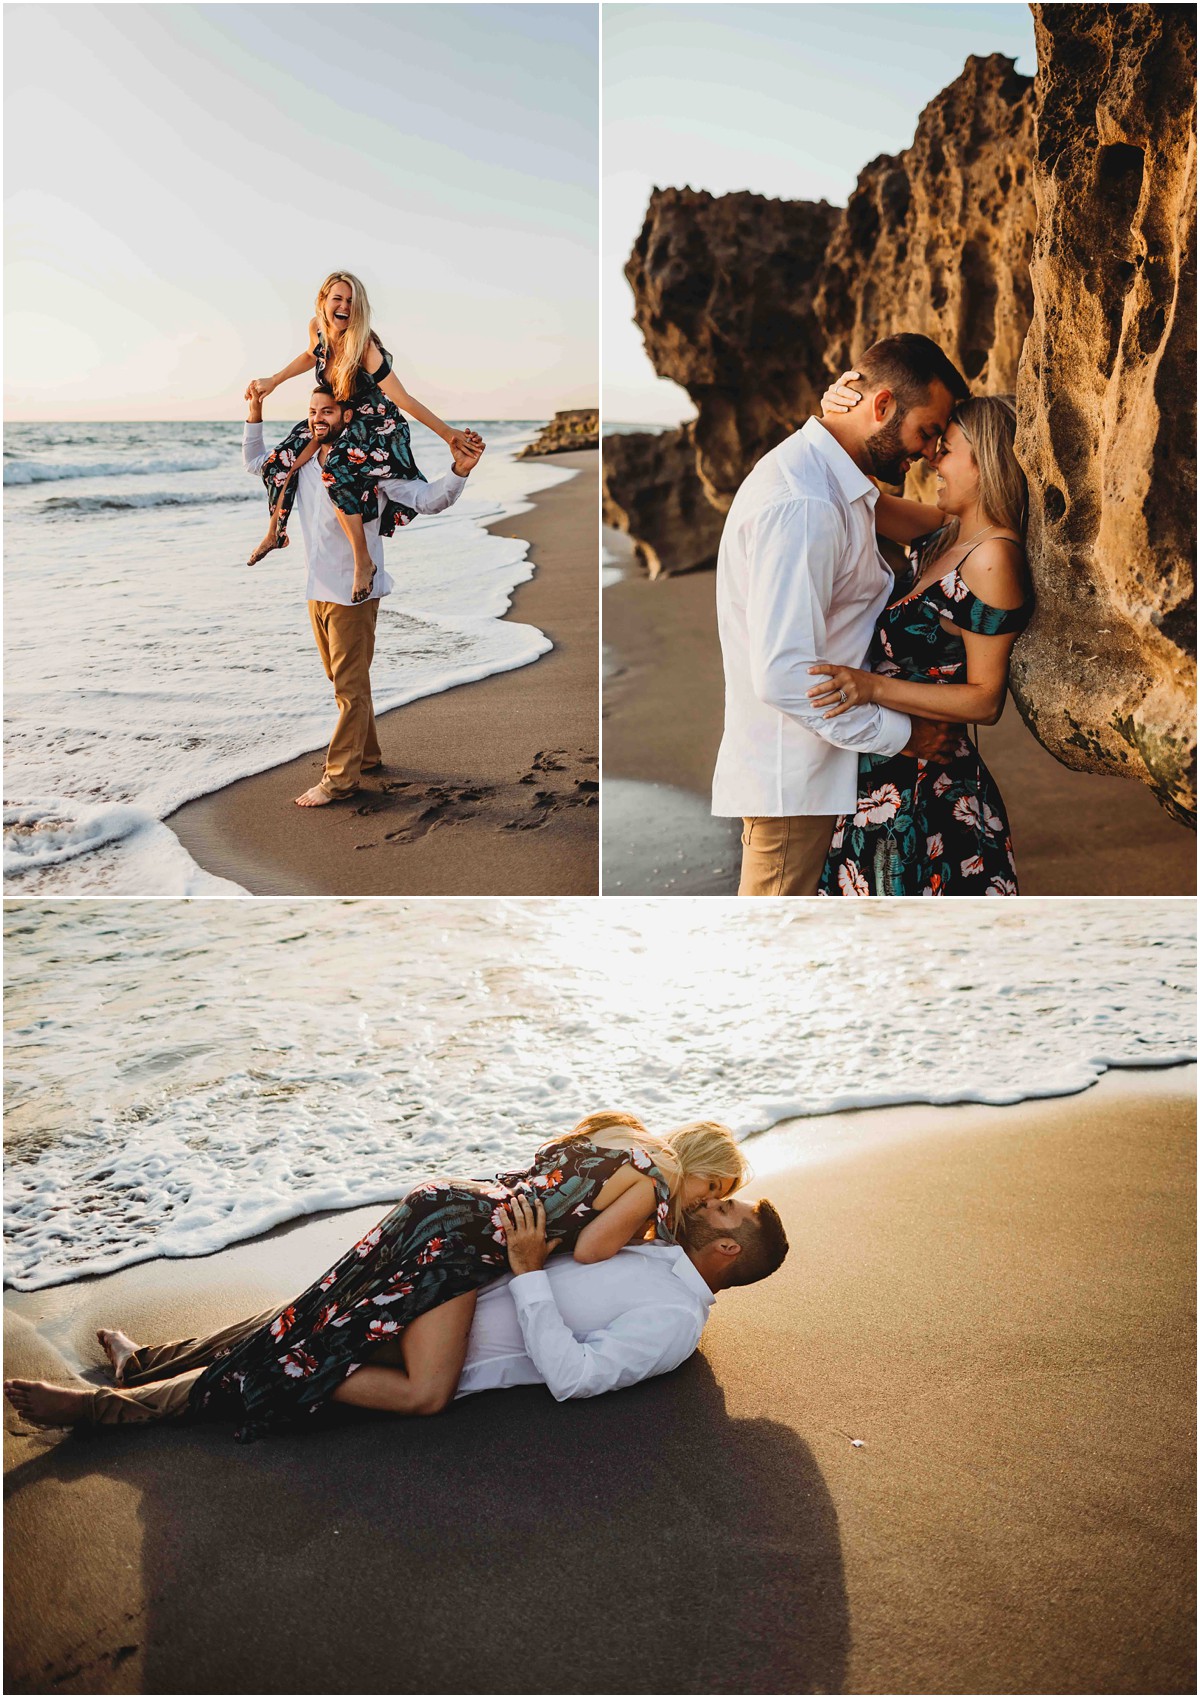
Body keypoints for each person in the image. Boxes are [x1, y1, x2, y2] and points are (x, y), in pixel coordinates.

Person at [4, 1115, 751, 1438]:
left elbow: (551, 1183)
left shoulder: (623, 1132)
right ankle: (113, 1411)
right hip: (463, 1249)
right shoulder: (656, 1181)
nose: (700, 1205)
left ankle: (147, 1363)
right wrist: (630, 1232)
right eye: (713, 1193)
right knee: (326, 1348)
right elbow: (587, 1252)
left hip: (447, 1203)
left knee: (311, 1312)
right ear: (702, 1168)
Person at [711, 332, 968, 897]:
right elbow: (783, 675)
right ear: (882, 406)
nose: (930, 451)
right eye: (927, 431)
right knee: (771, 943)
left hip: (827, 770)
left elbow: (941, 528)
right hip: (796, 781)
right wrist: (904, 735)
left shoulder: (835, 484)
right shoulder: (804, 503)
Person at [811, 375, 1033, 896]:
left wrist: (871, 687)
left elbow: (986, 700)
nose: (932, 459)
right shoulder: (940, 535)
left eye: (946, 449)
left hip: (932, 791)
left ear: (987, 463)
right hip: (884, 773)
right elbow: (844, 484)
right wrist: (837, 414)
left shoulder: (993, 558)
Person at [244, 382, 483, 808]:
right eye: (313, 411)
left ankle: (339, 780)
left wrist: (458, 471)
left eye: (328, 411)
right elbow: (257, 463)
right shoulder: (303, 461)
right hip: (317, 589)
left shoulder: (370, 467)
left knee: (348, 688)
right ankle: (367, 755)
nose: (318, 418)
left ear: (348, 416)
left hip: (355, 593)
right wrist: (255, 410)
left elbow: (428, 500)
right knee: (342, 680)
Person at [246, 270, 483, 602]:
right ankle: (274, 533)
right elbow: (310, 354)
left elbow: (402, 398)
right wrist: (274, 380)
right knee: (281, 461)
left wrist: (447, 434)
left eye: (352, 301)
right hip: (341, 416)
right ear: (322, 301)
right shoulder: (317, 328)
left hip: (374, 421)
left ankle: (363, 561)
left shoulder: (364, 345)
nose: (345, 307)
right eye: (338, 299)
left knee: (336, 470)